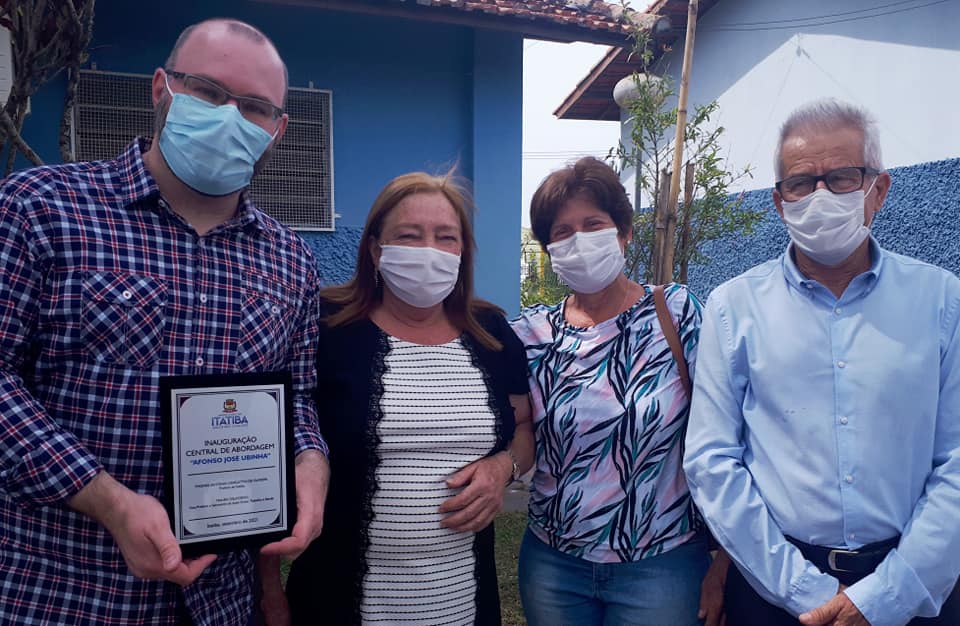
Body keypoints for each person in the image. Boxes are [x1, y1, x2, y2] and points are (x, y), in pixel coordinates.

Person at [0, 19, 329, 625]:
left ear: (277, 129)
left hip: (221, 604)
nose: (229, 117)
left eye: (254, 107)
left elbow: (298, 394)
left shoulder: (291, 260)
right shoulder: (38, 209)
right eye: (207, 91)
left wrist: (311, 463)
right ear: (162, 88)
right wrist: (106, 499)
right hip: (65, 595)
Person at [684, 98, 960, 626]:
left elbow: (956, 459)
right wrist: (804, 590)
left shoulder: (942, 301)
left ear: (878, 189)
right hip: (775, 591)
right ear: (779, 202)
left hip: (919, 586)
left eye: (841, 177)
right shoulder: (732, 309)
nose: (820, 195)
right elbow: (712, 460)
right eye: (800, 183)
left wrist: (886, 596)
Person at [274, 171, 534, 625]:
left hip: (462, 603)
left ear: (462, 252)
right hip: (338, 603)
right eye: (409, 236)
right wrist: (267, 587)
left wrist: (503, 468)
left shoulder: (490, 332)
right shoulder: (324, 327)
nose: (428, 250)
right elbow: (273, 441)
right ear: (376, 250)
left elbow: (525, 425)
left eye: (445, 237)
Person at [509, 156, 728, 626]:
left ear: (624, 232)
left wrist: (727, 560)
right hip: (553, 564)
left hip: (661, 564)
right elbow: (511, 424)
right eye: (562, 232)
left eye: (593, 225)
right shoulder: (531, 335)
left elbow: (729, 432)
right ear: (549, 250)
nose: (579, 240)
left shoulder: (676, 314)